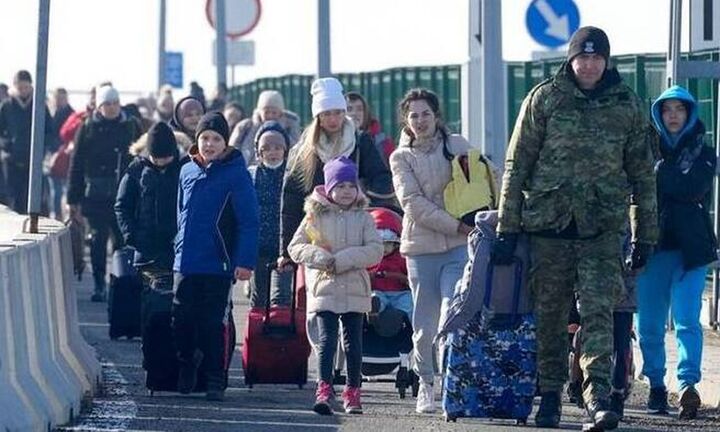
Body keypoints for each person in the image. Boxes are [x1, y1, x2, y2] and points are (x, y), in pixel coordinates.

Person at [492, 27, 657, 430]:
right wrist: (506, 226)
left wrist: (645, 234)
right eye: (582, 58)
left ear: (607, 61)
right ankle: (548, 396)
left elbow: (643, 175)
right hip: (549, 227)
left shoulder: (627, 105)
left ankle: (599, 398)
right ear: (570, 60)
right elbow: (517, 166)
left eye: (597, 58)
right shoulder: (544, 98)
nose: (589, 65)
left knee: (599, 313)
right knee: (550, 317)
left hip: (601, 229)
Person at [389, 88, 484, 414]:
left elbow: (486, 177)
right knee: (425, 325)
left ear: (436, 115)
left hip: (459, 248)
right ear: (406, 120)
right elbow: (413, 204)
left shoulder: (456, 144)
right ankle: (425, 384)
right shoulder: (400, 157)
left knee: (452, 312)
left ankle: (451, 384)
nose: (420, 120)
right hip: (421, 249)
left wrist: (490, 212)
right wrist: (457, 225)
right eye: (413, 115)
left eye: (425, 113)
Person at [635, 85, 717, 420]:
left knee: (686, 320)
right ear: (658, 114)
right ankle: (656, 382)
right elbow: (638, 190)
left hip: (691, 250)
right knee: (650, 324)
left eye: (679, 109)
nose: (672, 115)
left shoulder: (704, 152)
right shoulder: (642, 150)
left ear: (689, 114)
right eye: (666, 109)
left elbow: (691, 188)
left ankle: (688, 385)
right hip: (652, 248)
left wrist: (658, 175)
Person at [173, 111, 258, 402]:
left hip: (218, 263)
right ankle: (186, 362)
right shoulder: (186, 170)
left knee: (213, 323)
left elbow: (249, 221)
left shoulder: (236, 174)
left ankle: (214, 378)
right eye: (205, 138)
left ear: (225, 143)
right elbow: (180, 214)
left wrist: (245, 261)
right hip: (185, 261)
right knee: (181, 319)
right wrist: (177, 246)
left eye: (216, 139)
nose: (209, 144)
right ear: (197, 140)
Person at [288, 156, 383, 415]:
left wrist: (343, 260)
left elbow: (375, 250)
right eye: (340, 186)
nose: (346, 192)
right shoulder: (313, 216)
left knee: (353, 342)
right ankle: (324, 388)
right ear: (329, 188)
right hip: (324, 287)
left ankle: (353, 391)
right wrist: (320, 258)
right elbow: (295, 247)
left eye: (351, 186)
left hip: (354, 286)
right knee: (327, 340)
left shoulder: (364, 217)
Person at [278, 77, 394, 271]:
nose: (333, 119)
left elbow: (381, 180)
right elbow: (291, 200)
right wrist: (286, 252)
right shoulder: (305, 151)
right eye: (326, 114)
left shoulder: (359, 142)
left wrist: (364, 207)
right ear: (318, 117)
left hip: (354, 234)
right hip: (318, 237)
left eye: (338, 113)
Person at [67, 84, 141, 302]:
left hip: (124, 193)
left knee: (122, 241)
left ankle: (118, 283)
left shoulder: (131, 125)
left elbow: (142, 157)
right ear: (99, 106)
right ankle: (99, 284)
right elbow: (77, 163)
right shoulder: (88, 127)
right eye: (107, 104)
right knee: (98, 240)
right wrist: (73, 198)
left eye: (115, 103)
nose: (112, 108)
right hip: (95, 195)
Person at [114, 121, 181, 299]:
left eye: (165, 158)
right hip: (144, 250)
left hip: (175, 248)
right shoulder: (136, 170)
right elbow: (122, 206)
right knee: (146, 302)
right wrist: (132, 236)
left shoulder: (183, 169)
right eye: (156, 158)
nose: (160, 163)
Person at [247, 120, 292, 308]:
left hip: (285, 246)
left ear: (285, 150)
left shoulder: (292, 175)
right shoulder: (252, 175)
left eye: (277, 147)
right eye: (267, 148)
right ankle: (257, 333)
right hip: (259, 245)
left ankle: (281, 334)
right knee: (259, 296)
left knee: (281, 297)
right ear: (259, 152)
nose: (272, 152)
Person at [0, 70, 55, 212]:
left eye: (25, 87)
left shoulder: (40, 105)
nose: (23, 90)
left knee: (33, 199)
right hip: (12, 161)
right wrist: (7, 145)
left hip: (34, 162)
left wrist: (42, 148)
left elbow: (49, 130)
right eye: (20, 87)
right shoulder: (7, 106)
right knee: (13, 198)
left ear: (31, 86)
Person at [229, 90, 301, 165]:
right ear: (260, 112)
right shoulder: (246, 127)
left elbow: (296, 150)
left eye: (274, 112)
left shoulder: (290, 127)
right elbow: (232, 150)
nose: (270, 116)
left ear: (280, 113)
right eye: (266, 112)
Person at [366, 208, 412, 321]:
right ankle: (373, 311)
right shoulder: (369, 259)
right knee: (375, 297)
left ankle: (414, 325)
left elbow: (409, 278)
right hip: (378, 291)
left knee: (409, 302)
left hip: (399, 293)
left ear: (396, 245)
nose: (384, 249)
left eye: (388, 244)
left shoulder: (401, 258)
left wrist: (400, 278)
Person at [46, 87, 75, 220]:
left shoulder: (72, 115)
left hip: (66, 158)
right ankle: (55, 215)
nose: (59, 101)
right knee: (54, 190)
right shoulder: (49, 114)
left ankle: (65, 216)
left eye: (62, 98)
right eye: (57, 98)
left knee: (65, 190)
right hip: (51, 157)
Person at [346, 91, 395, 167]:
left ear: (366, 113)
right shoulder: (333, 141)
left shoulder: (383, 143)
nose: (354, 113)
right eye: (349, 109)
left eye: (359, 109)